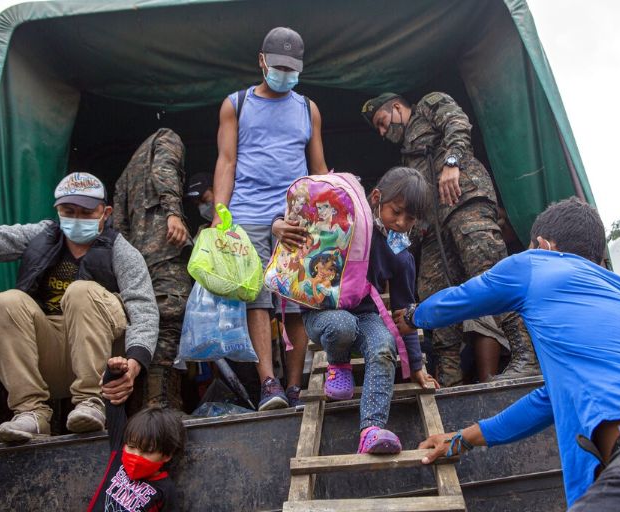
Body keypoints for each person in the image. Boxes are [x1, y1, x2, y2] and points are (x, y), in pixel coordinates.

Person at [396, 197, 620, 509]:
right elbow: (548, 400)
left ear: (543, 245)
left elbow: (463, 298)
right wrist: (463, 439)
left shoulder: (536, 265)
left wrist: (412, 317)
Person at [361, 92, 538, 387]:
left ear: (396, 107)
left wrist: (452, 162)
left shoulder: (430, 104)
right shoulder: (407, 156)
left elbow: (457, 123)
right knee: (430, 293)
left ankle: (527, 355)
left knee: (493, 275)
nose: (382, 132)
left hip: (465, 201)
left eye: (382, 122)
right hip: (435, 229)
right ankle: (449, 376)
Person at [0, 172, 158, 442]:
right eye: (69, 210)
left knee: (80, 291)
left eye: (87, 212)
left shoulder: (122, 252)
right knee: (5, 302)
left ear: (105, 212)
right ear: (57, 211)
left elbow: (144, 311)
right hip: (51, 353)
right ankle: (31, 414)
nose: (77, 218)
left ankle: (90, 404)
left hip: (103, 362)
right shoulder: (43, 236)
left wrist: (134, 365)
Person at [212, 26, 328, 410]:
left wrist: (338, 213)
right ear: (261, 61)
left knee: (296, 301)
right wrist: (220, 216)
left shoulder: (308, 109)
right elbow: (226, 162)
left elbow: (319, 171)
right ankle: (269, 383)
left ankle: (295, 386)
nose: (284, 73)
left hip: (295, 217)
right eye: (277, 65)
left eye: (291, 68)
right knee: (257, 300)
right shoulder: (237, 104)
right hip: (247, 215)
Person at [287, 167, 438, 453]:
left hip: (366, 314)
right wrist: (277, 226)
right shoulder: (342, 220)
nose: (402, 223)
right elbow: (301, 214)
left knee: (383, 346)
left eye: (411, 219)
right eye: (397, 212)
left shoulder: (400, 255)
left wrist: (416, 365)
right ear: (376, 198)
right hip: (321, 311)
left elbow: (404, 312)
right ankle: (338, 364)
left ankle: (372, 428)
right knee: (343, 325)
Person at [115, 128, 193, 411]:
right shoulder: (168, 138)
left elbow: (119, 224)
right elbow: (165, 168)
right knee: (170, 318)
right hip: (165, 249)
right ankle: (160, 404)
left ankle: (152, 403)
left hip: (139, 257)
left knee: (146, 322)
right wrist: (173, 212)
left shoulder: (126, 174)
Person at [88, 356, 186, 511]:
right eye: (132, 446)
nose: (136, 455)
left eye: (147, 451)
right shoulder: (119, 453)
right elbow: (113, 402)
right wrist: (114, 373)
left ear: (167, 455)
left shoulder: (165, 491)